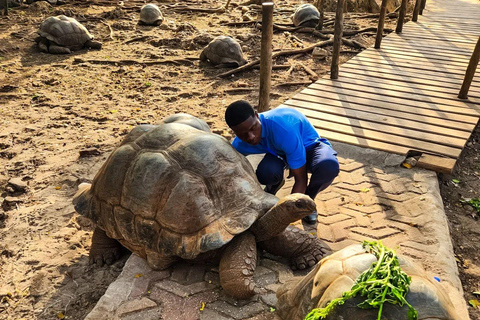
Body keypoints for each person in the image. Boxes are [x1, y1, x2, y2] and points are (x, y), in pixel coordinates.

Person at [225, 100, 339, 224]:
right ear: (234, 132)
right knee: (267, 172)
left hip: (309, 146)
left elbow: (300, 179)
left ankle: (308, 201)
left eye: (253, 128)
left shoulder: (283, 130)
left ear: (257, 116)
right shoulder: (239, 144)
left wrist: (284, 218)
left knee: (328, 167)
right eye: (243, 134)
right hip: (280, 152)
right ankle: (273, 185)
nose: (251, 137)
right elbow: (227, 170)